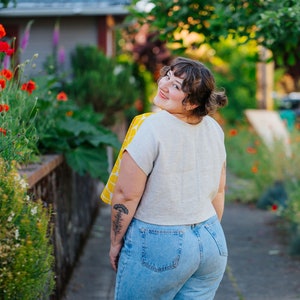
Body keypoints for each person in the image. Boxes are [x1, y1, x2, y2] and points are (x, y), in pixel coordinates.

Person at [108, 56, 228, 300]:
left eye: (175, 86)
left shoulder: (151, 127)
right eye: (168, 76)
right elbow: (219, 191)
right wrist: (204, 232)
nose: (164, 85)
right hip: (211, 239)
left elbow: (125, 195)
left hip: (159, 243)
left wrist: (115, 242)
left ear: (193, 102)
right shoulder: (214, 128)